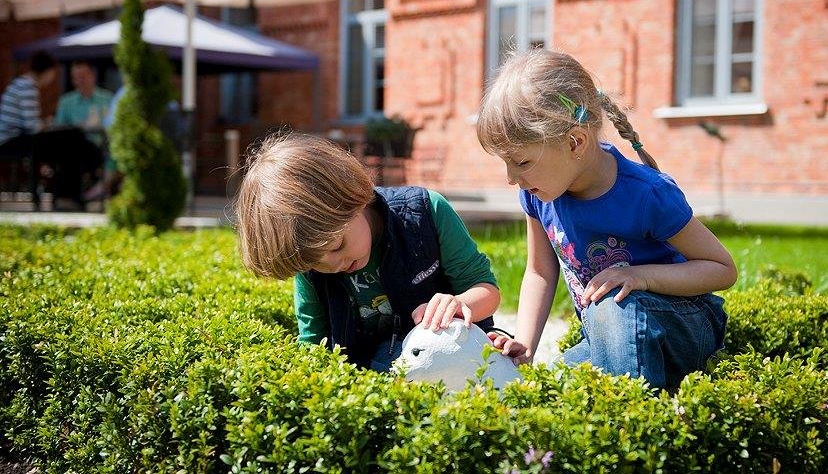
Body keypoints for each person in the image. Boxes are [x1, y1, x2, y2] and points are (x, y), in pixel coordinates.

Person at [477, 49, 737, 389]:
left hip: (686, 327)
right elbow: (540, 271)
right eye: (506, 164)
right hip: (611, 336)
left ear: (575, 143)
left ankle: (637, 430)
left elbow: (721, 268)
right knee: (551, 386)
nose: (512, 178)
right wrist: (523, 345)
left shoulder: (646, 194)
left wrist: (639, 276)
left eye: (521, 163)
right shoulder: (537, 194)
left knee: (611, 307)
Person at [234, 133, 501, 372]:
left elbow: (487, 291)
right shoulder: (312, 257)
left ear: (352, 197)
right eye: (316, 263)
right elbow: (314, 343)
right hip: (371, 373)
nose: (333, 265)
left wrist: (461, 304)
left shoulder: (426, 213)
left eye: (338, 246)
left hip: (448, 361)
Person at [0, 50, 58, 146]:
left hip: (5, 137)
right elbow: (32, 126)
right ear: (48, 71)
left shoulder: (20, 82)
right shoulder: (29, 87)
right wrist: (48, 124)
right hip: (8, 141)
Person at [55, 60, 113, 146]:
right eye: (75, 78)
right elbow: (58, 131)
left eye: (82, 77)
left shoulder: (109, 98)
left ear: (92, 75)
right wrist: (80, 127)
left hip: (104, 151)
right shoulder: (65, 101)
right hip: (76, 151)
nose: (79, 81)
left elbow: (116, 127)